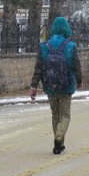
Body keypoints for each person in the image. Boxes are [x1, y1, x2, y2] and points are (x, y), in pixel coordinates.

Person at [30, 16, 83, 154]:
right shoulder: (70, 46)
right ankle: (59, 137)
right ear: (66, 29)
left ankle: (58, 143)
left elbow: (38, 68)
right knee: (65, 115)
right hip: (66, 85)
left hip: (50, 85)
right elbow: (76, 66)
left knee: (55, 115)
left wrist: (34, 85)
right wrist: (79, 81)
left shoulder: (44, 46)